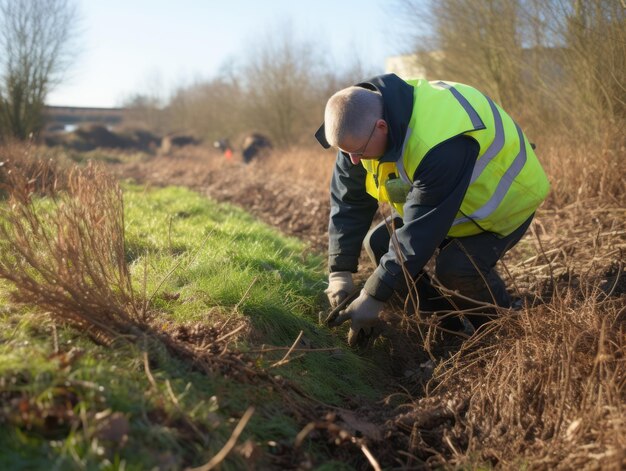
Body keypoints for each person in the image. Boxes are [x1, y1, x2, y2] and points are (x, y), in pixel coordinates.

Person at [315, 73, 550, 346]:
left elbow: (421, 231)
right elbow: (350, 202)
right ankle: (447, 327)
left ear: (382, 127)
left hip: (503, 204)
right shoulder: (356, 133)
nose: (352, 160)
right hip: (446, 203)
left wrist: (372, 296)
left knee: (457, 269)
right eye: (345, 153)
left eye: (356, 152)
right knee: (378, 243)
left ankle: (501, 336)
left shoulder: (441, 141)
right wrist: (339, 272)